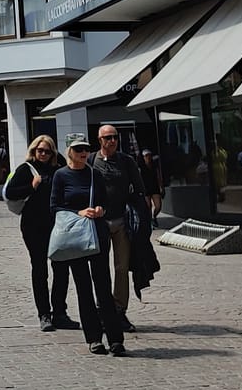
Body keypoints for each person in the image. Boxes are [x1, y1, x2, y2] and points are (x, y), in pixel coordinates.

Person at [51, 137, 125, 356]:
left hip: (97, 236)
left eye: (85, 148)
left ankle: (115, 339)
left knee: (103, 288)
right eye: (78, 149)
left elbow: (105, 201)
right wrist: (79, 213)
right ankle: (94, 338)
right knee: (83, 288)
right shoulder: (61, 175)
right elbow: (55, 206)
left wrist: (100, 210)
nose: (83, 152)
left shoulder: (95, 174)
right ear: (70, 152)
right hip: (75, 238)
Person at [8, 135, 78, 333]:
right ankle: (44, 314)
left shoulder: (60, 168)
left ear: (53, 152)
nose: (44, 154)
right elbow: (10, 193)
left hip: (58, 225)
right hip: (33, 226)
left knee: (62, 268)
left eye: (47, 151)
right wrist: (32, 185)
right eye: (40, 150)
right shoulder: (26, 169)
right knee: (39, 269)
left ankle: (60, 313)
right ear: (33, 151)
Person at [90, 125, 145, 333]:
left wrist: (142, 219)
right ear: (100, 140)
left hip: (122, 221)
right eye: (107, 138)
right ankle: (102, 310)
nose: (112, 141)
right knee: (100, 268)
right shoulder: (91, 160)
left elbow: (139, 189)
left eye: (114, 137)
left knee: (122, 268)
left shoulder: (126, 161)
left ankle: (119, 310)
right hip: (99, 223)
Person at [139, 150, 163, 227]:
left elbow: (158, 177)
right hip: (145, 188)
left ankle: (154, 216)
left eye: (149, 155)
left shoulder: (154, 166)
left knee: (158, 206)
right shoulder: (141, 167)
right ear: (143, 158)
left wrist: (161, 187)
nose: (148, 157)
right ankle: (150, 221)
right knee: (148, 206)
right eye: (146, 156)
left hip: (155, 187)